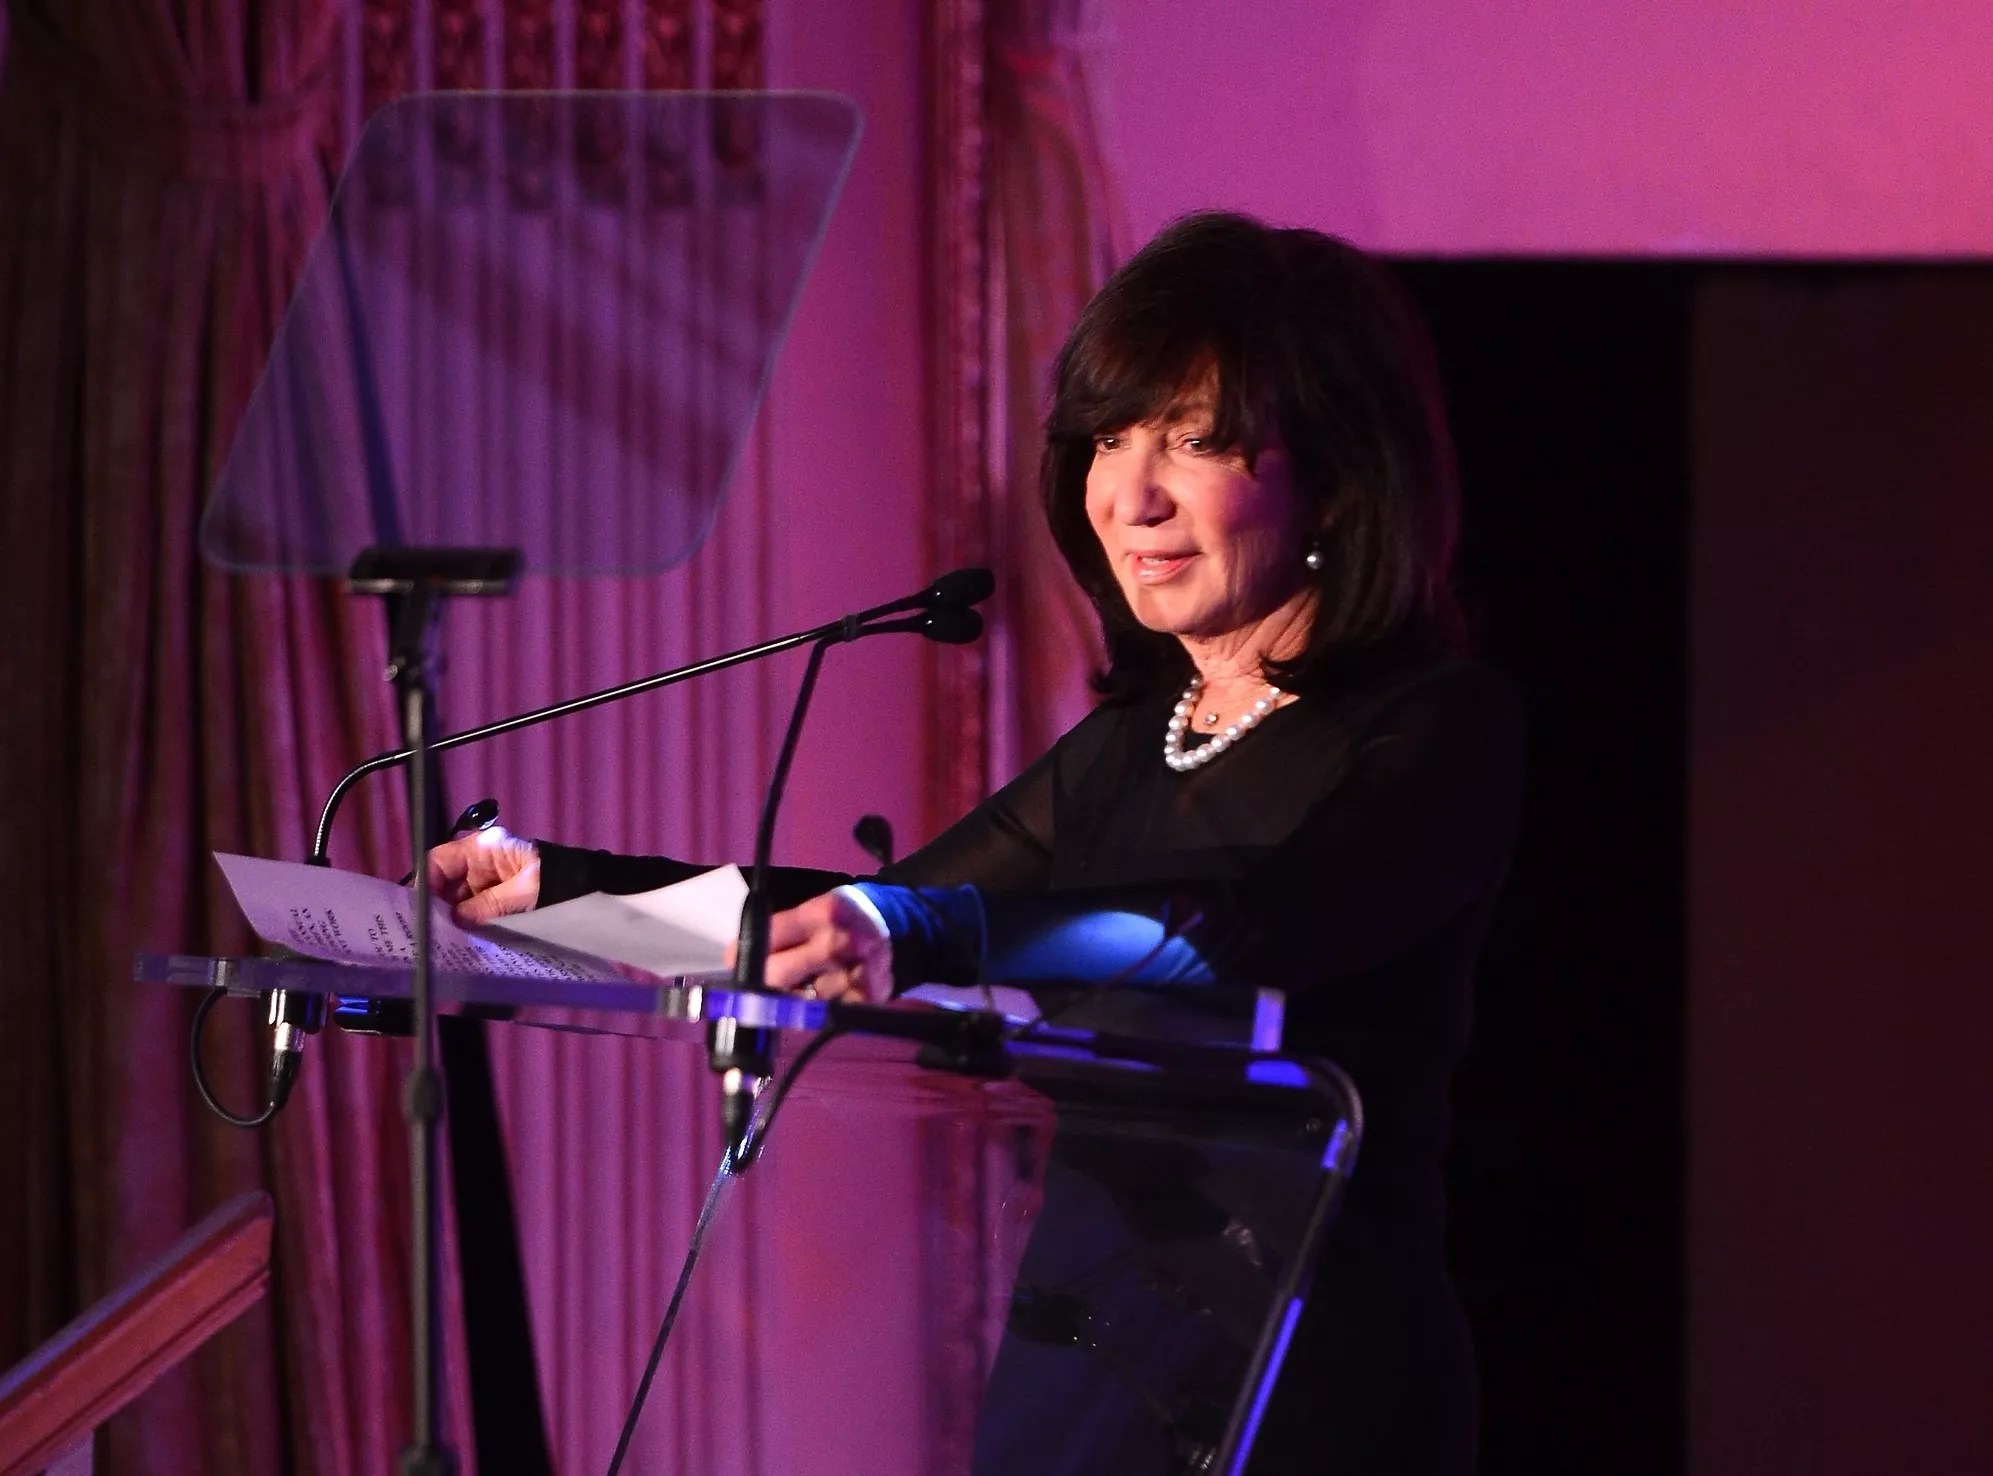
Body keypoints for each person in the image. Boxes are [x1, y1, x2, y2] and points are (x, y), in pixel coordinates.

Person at [428, 211, 1523, 1474]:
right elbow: (859, 920)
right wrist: (553, 890)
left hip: (1305, 1381)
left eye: (1190, 440)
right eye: (1108, 438)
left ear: (1332, 470)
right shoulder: (1133, 742)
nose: (1130, 495)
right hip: (1086, 1364)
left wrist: (916, 929)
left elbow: (1249, 923)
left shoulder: (1439, 726)